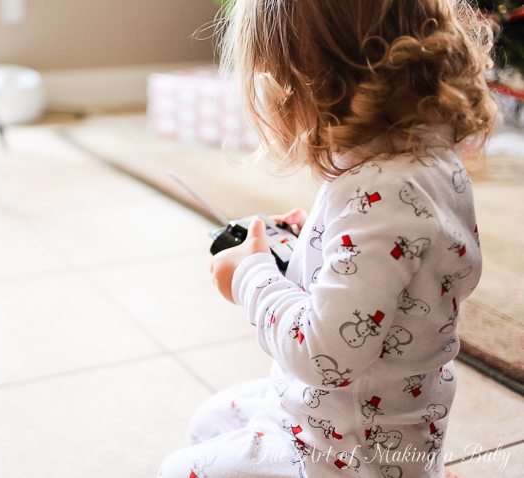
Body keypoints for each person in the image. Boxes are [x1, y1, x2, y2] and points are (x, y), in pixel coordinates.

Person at [159, 0, 497, 476]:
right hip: (357, 416)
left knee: (179, 470)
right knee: (209, 421)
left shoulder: (381, 191)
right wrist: (315, 242)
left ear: (309, 84)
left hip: (342, 453)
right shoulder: (422, 157)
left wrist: (249, 276)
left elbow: (323, 356)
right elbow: (395, 269)